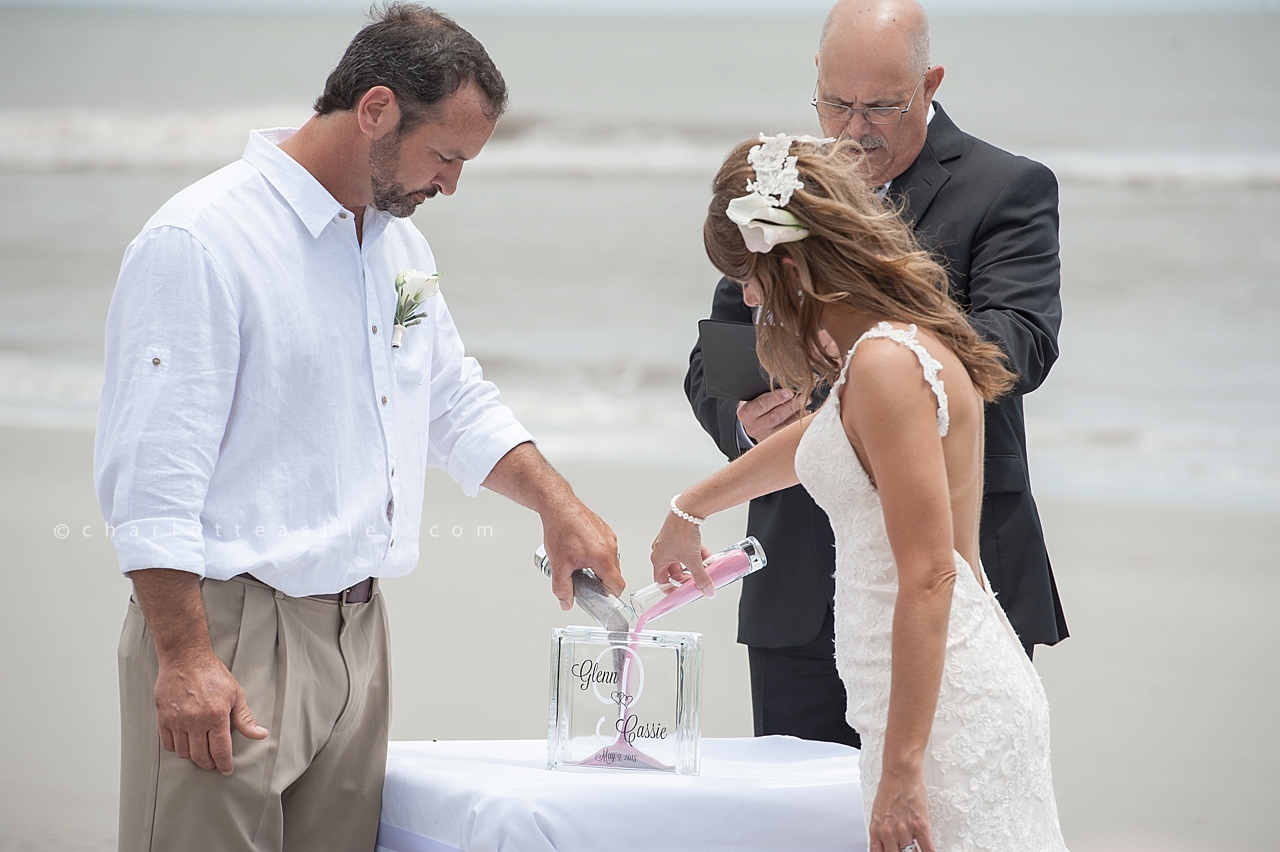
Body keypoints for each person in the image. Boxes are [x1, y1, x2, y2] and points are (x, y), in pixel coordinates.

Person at [94, 6, 621, 851]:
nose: (451, 184)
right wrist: (185, 656)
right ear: (375, 109)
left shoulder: (398, 250)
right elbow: (152, 471)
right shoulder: (200, 240)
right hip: (225, 636)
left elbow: (450, 398)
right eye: (445, 156)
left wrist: (557, 504)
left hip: (360, 637)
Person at [653, 133, 1068, 852]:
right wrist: (690, 507)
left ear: (788, 265)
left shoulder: (884, 363)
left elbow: (933, 575)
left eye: (748, 279)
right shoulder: (883, 351)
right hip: (918, 702)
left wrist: (905, 769)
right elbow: (819, 441)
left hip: (944, 717)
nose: (746, 299)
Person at [684, 0, 1067, 750]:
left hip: (955, 567)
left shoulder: (1007, 187)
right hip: (798, 577)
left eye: (882, 107)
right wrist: (740, 417)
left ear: (931, 83)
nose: (854, 129)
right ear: (816, 89)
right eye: (837, 103)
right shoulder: (779, 188)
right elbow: (718, 353)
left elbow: (1020, 343)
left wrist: (872, 361)